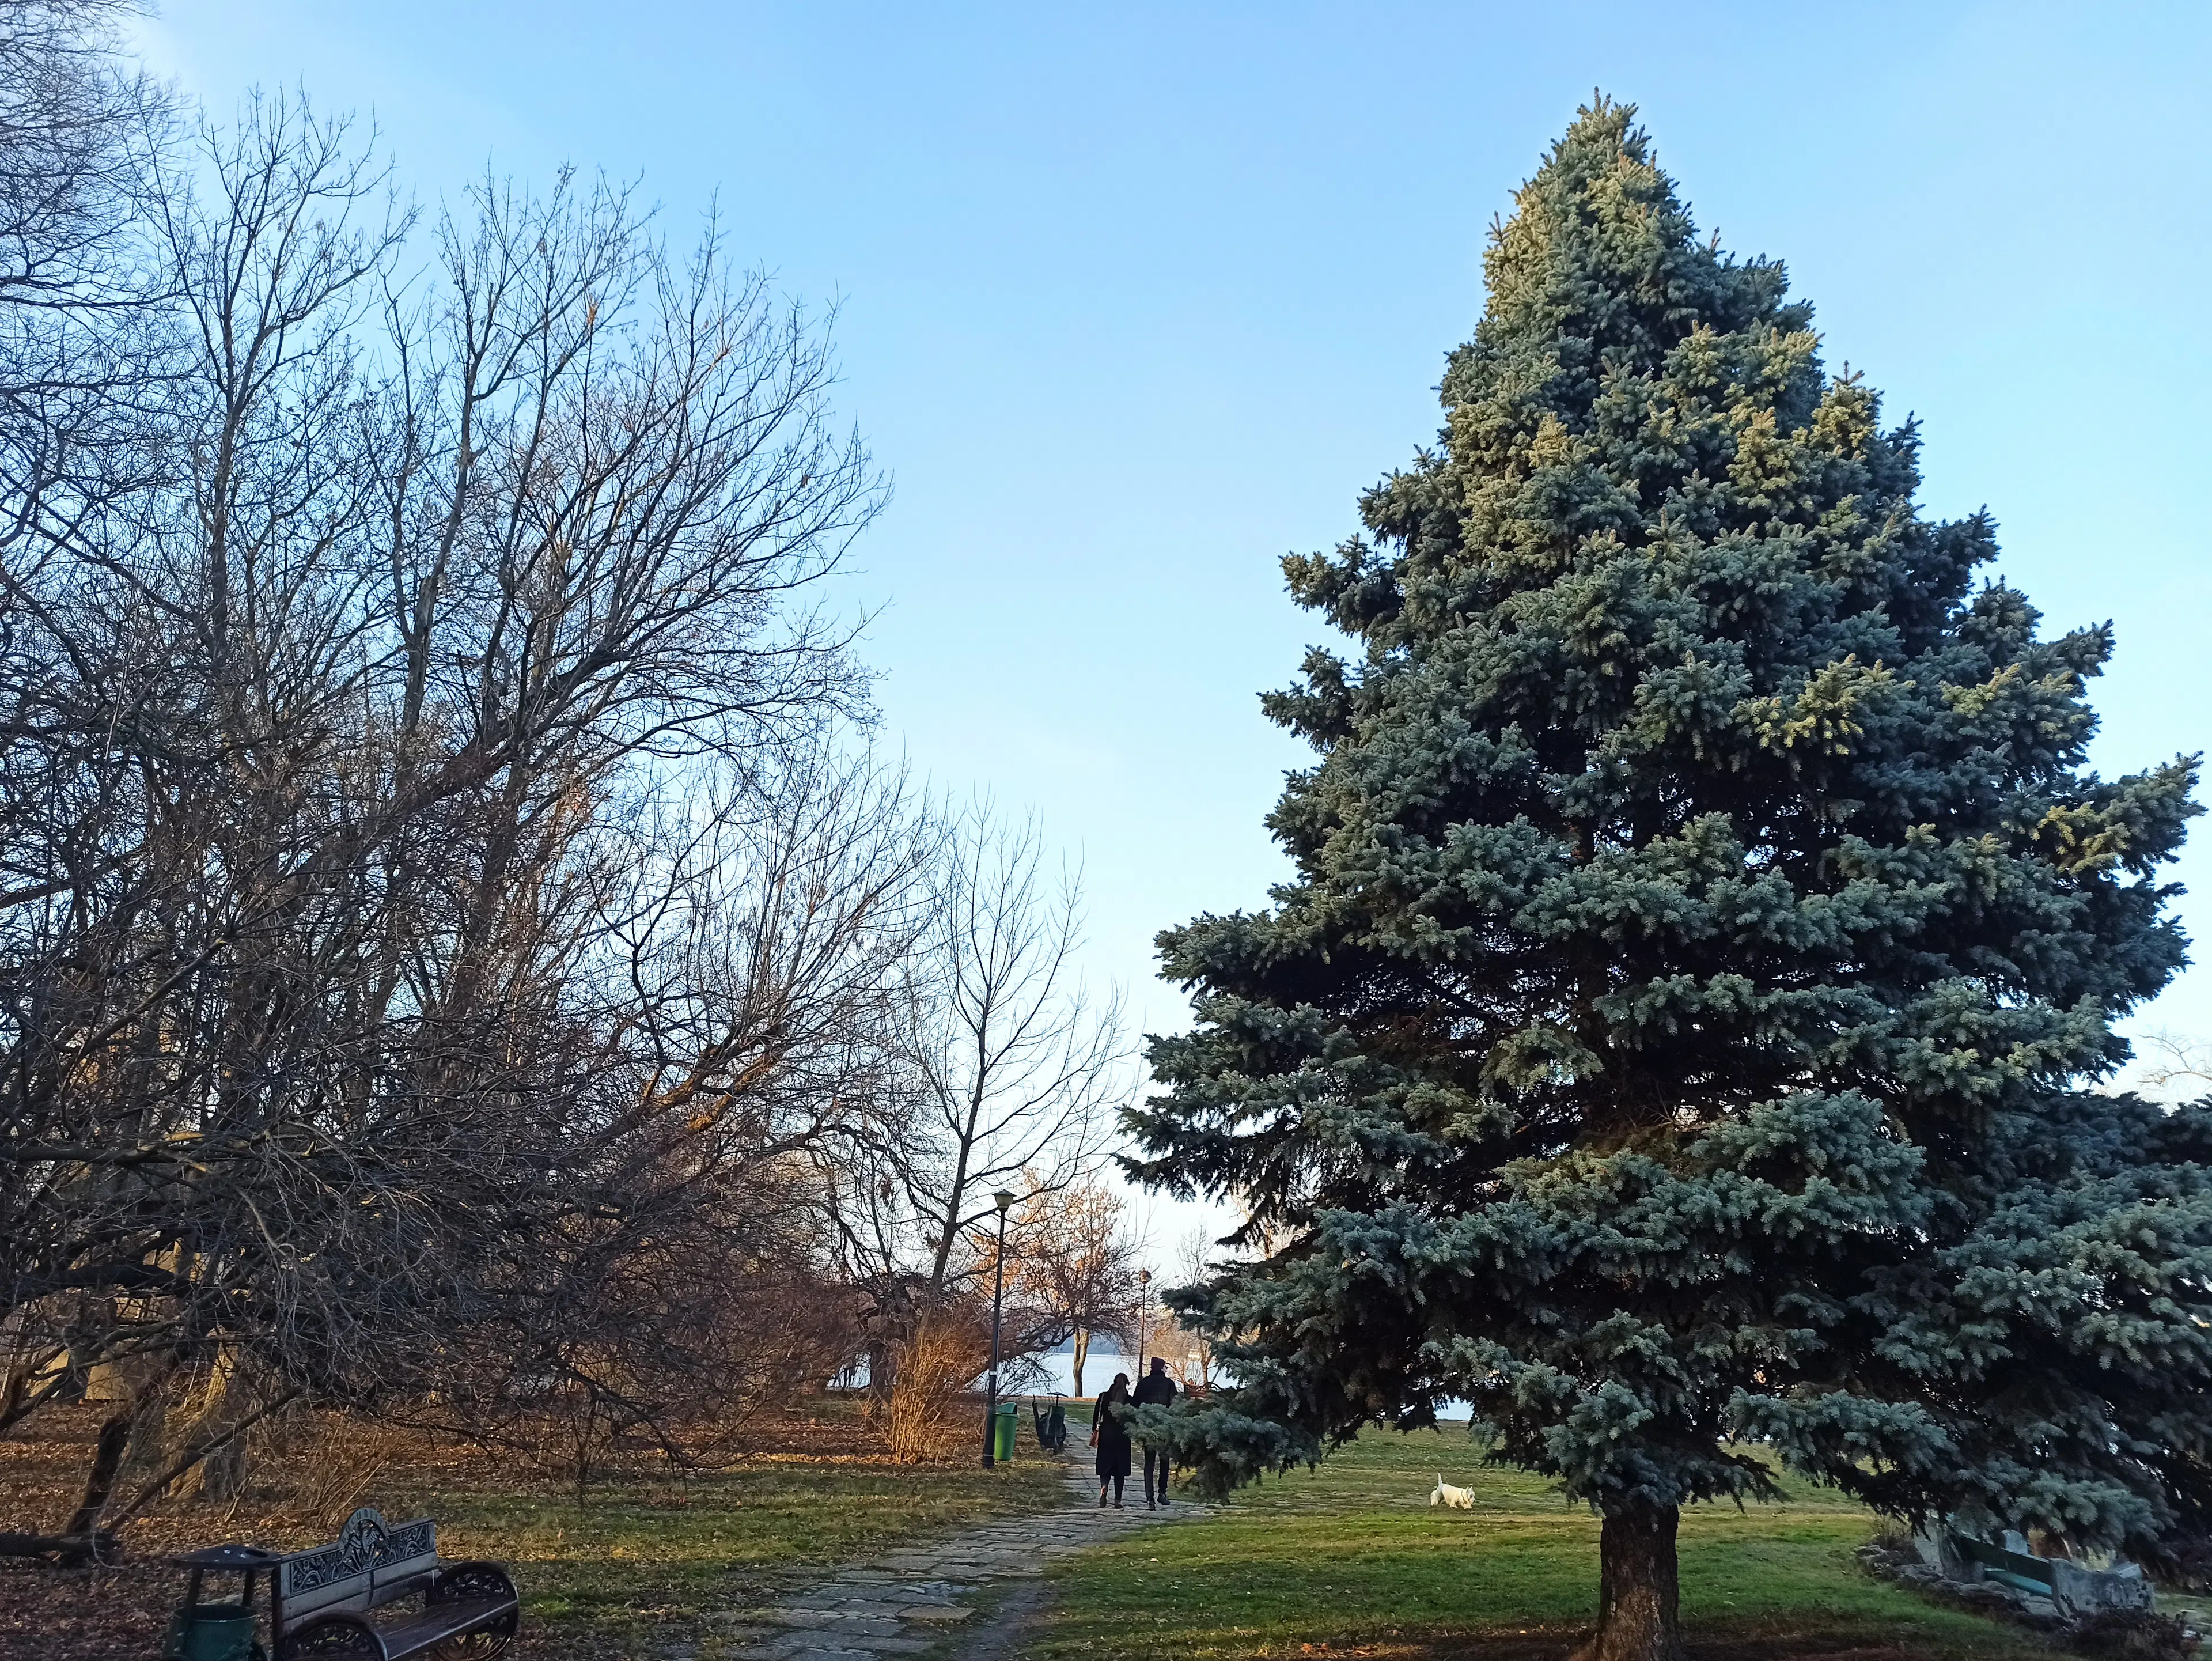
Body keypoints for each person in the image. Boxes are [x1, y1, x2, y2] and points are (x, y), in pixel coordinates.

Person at [1132, 1356, 1177, 1507]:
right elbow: (1175, 1406)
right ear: (1161, 1368)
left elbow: (1135, 1405)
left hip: (1148, 1427)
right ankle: (1162, 1493)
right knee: (1164, 1461)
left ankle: (1149, 1498)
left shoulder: (1143, 1384)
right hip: (1164, 1427)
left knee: (1149, 1463)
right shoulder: (1169, 1384)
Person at [1090, 1373, 1132, 1508]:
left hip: (1106, 1434)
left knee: (1105, 1466)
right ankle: (1118, 1500)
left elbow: (1096, 1416)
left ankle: (1104, 1487)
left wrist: (1095, 1430)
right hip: (1122, 1436)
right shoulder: (1129, 1400)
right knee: (1120, 1470)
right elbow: (1133, 1418)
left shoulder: (1104, 1397)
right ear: (1126, 1384)